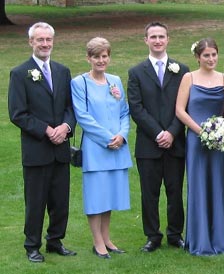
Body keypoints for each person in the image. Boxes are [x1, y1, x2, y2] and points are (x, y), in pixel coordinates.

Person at [8, 22, 77, 263]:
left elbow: (70, 107)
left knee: (60, 200)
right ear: (31, 42)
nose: (45, 44)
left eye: (48, 39)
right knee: (36, 201)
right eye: (40, 40)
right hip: (36, 149)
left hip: (60, 149)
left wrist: (65, 127)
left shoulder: (62, 71)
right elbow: (17, 113)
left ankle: (55, 241)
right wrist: (46, 130)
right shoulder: (19, 74)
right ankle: (32, 245)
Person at [175, 38, 224, 255]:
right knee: (200, 186)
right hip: (197, 141)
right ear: (197, 57)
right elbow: (180, 110)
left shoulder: (223, 78)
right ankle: (201, 238)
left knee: (220, 185)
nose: (211, 59)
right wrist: (202, 131)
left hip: (219, 142)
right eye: (206, 55)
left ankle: (223, 236)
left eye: (214, 54)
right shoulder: (189, 78)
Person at [127, 22, 189, 252]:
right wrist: (157, 133)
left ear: (168, 39)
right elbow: (136, 107)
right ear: (146, 40)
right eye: (153, 37)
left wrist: (172, 132)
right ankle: (153, 236)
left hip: (175, 143)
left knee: (175, 192)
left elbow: (185, 105)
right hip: (148, 144)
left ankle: (175, 234)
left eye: (161, 36)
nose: (157, 40)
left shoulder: (182, 70)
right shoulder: (136, 72)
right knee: (149, 194)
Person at [71, 37, 132, 258]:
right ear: (88, 58)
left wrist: (122, 136)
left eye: (104, 56)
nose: (101, 60)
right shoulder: (79, 83)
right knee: (96, 197)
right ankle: (97, 242)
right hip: (97, 149)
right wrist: (108, 138)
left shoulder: (115, 80)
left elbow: (125, 112)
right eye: (96, 56)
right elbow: (83, 117)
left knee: (109, 196)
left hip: (118, 147)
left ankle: (107, 239)